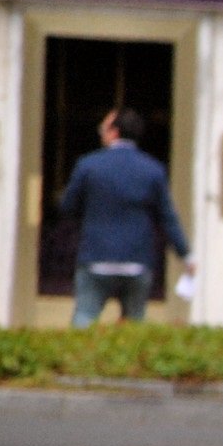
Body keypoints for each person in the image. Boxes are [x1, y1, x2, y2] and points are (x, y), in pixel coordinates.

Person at [58, 108, 195, 327]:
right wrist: (186, 255)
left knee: (85, 315)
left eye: (103, 129)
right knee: (134, 323)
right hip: (137, 260)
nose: (101, 133)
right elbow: (167, 218)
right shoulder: (153, 170)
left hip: (96, 257)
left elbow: (67, 207)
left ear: (114, 132)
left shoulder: (88, 165)